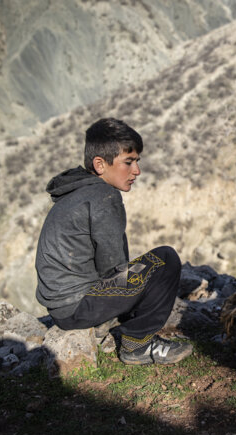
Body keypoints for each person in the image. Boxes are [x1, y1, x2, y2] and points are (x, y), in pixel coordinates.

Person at [35, 117, 192, 365]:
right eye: (128, 162)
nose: (136, 171)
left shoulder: (76, 190)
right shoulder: (103, 196)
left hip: (61, 308)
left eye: (137, 162)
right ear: (100, 164)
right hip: (77, 307)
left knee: (142, 269)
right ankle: (139, 345)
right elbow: (113, 267)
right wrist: (141, 295)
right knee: (166, 259)